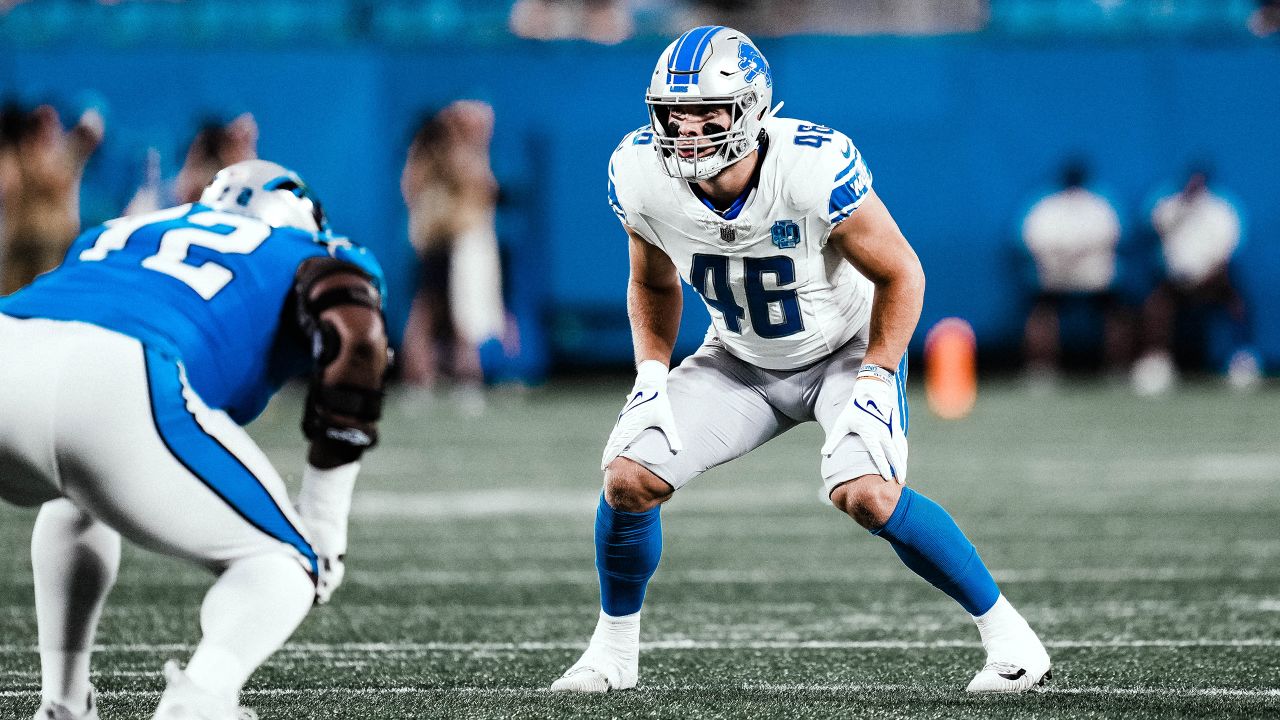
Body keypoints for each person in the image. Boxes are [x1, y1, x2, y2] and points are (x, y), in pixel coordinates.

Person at [551, 26, 1050, 695]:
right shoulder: (639, 172)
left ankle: (1012, 640)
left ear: (751, 110)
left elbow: (903, 273)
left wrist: (875, 378)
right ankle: (612, 653)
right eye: (675, 115)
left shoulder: (811, 166)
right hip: (738, 358)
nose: (687, 131)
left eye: (707, 113)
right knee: (628, 477)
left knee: (866, 494)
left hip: (844, 350)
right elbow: (651, 282)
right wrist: (649, 374)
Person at [0, 160, 389, 720]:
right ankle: (199, 702)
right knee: (286, 562)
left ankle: (63, 704)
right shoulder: (309, 252)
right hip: (114, 371)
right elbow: (358, 342)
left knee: (76, 498)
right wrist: (325, 519)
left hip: (14, 335)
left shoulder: (122, 230)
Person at [399, 101, 507, 405]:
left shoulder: (441, 155)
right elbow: (482, 187)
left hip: (448, 239)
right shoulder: (436, 155)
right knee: (432, 310)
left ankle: (454, 377)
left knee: (450, 311)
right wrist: (474, 139)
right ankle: (425, 378)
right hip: (439, 240)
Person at [1131, 166, 1257, 394]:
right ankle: (1157, 362)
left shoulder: (1222, 208)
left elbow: (1227, 249)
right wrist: (1183, 209)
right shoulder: (1169, 204)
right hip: (1176, 281)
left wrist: (1208, 273)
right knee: (1155, 306)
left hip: (1213, 278)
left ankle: (1242, 358)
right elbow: (1155, 228)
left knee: (1238, 304)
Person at [1019, 160, 1130, 383]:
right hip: (1056, 278)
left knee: (1117, 314)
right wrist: (1063, 256)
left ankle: (1118, 368)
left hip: (1095, 278)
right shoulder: (1046, 206)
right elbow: (1032, 240)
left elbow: (1111, 238)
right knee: (1041, 314)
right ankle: (1042, 369)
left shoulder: (1099, 205)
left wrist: (1079, 255)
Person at [0, 102, 104, 295]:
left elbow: (93, 133)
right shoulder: (17, 159)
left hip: (54, 248)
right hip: (21, 247)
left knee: (47, 298)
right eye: (41, 124)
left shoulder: (64, 158)